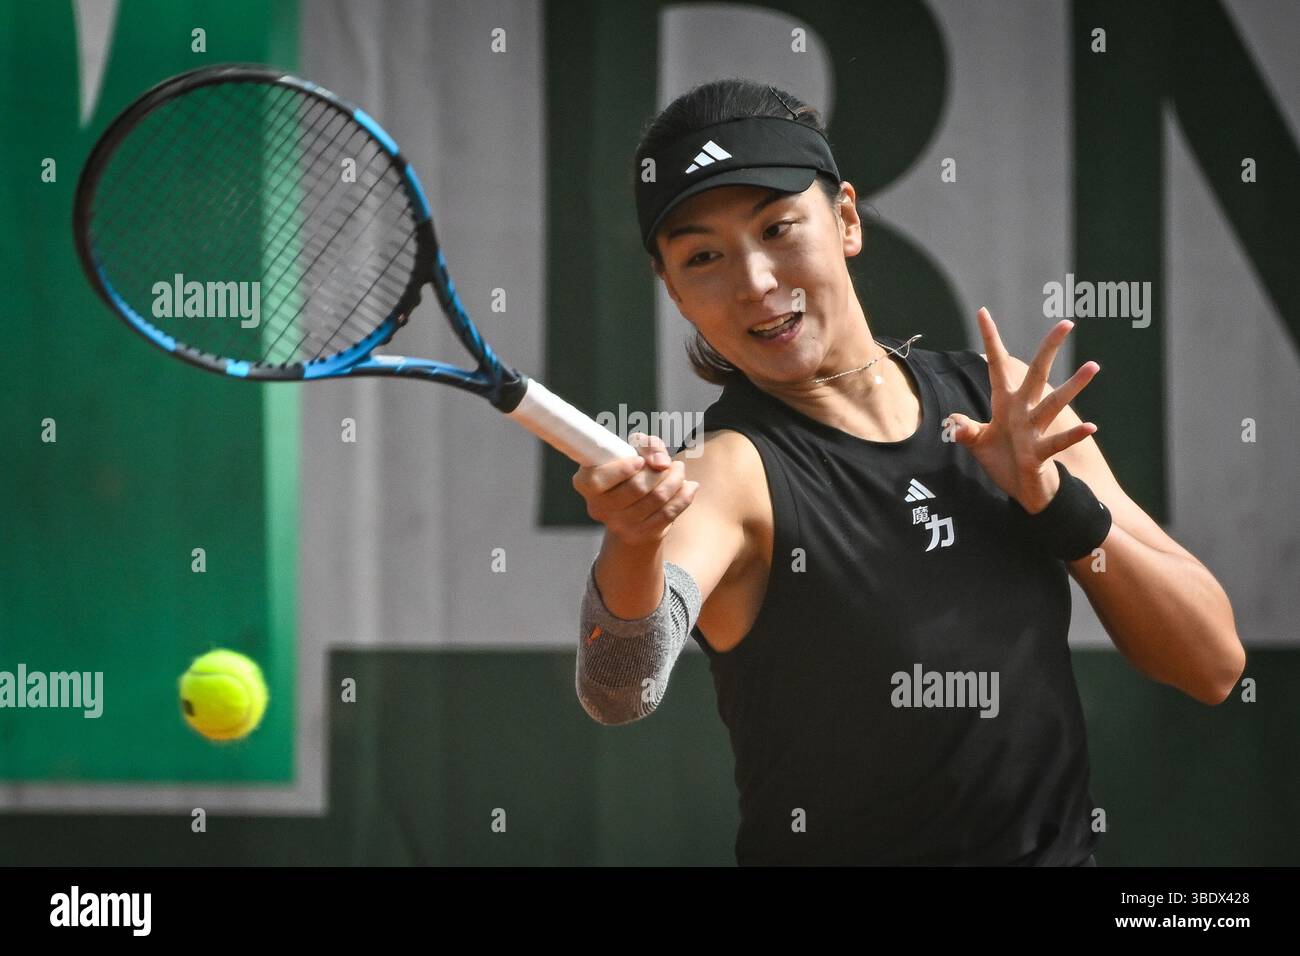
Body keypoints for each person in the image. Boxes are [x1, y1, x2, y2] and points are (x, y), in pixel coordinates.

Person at [571, 79, 1245, 866]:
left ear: (847, 219)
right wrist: (631, 543)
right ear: (676, 291)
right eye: (704, 257)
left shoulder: (1006, 405)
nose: (754, 281)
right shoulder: (730, 474)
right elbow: (619, 690)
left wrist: (1053, 501)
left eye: (779, 228)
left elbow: (1213, 664)